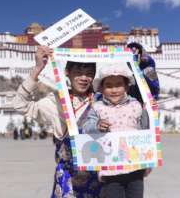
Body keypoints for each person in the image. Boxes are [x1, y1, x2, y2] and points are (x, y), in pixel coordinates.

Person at [13, 46, 102, 197]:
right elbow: (20, 105)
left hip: (98, 179)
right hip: (68, 179)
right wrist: (37, 69)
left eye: (89, 74)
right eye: (79, 73)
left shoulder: (101, 101)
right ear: (68, 72)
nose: (84, 78)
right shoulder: (56, 102)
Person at [82, 64, 151, 198]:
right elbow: (86, 127)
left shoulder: (136, 105)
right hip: (110, 167)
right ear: (101, 88)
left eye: (118, 84)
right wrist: (97, 125)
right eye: (109, 85)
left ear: (126, 86)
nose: (114, 89)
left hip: (135, 166)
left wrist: (151, 113)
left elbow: (146, 130)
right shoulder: (97, 107)